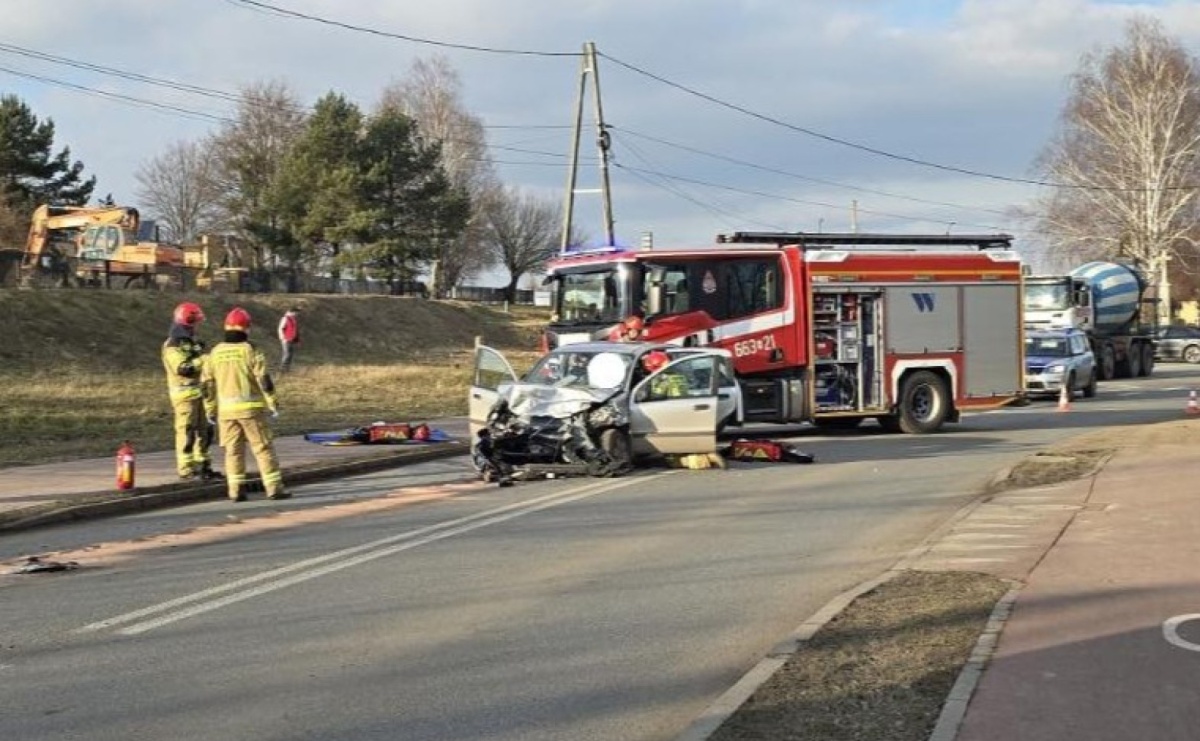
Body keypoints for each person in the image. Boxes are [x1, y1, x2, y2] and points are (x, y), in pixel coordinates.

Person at [201, 307, 287, 502]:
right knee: (263, 449)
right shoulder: (250, 350)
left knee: (233, 452)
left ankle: (236, 491)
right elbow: (264, 380)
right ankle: (274, 488)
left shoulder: (214, 353)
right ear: (246, 329)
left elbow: (206, 385)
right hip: (251, 411)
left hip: (226, 414)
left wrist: (210, 409)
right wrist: (273, 403)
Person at [161, 302, 220, 481]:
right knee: (187, 432)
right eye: (195, 323)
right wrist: (203, 360)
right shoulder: (172, 345)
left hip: (199, 394)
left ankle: (203, 466)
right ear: (187, 322)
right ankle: (186, 470)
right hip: (184, 396)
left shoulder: (188, 342)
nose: (196, 327)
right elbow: (183, 369)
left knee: (205, 431)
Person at [277, 306, 300, 374]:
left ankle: (287, 369)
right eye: (296, 313)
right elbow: (280, 328)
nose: (297, 314)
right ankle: (282, 369)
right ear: (292, 312)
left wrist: (297, 340)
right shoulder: (285, 318)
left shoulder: (293, 319)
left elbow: (295, 330)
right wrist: (283, 338)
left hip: (292, 339)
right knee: (287, 354)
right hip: (286, 340)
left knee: (290, 355)